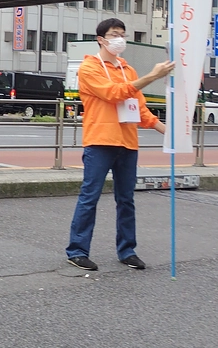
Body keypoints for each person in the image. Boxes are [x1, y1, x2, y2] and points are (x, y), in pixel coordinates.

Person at [66, 18, 173, 271]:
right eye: (114, 35)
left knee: (126, 199)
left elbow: (139, 109)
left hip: (128, 141)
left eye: (122, 34)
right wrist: (151, 76)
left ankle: (127, 250)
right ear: (100, 39)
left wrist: (165, 130)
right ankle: (77, 250)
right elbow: (114, 94)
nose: (120, 39)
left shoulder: (128, 69)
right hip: (100, 141)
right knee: (89, 197)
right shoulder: (89, 68)